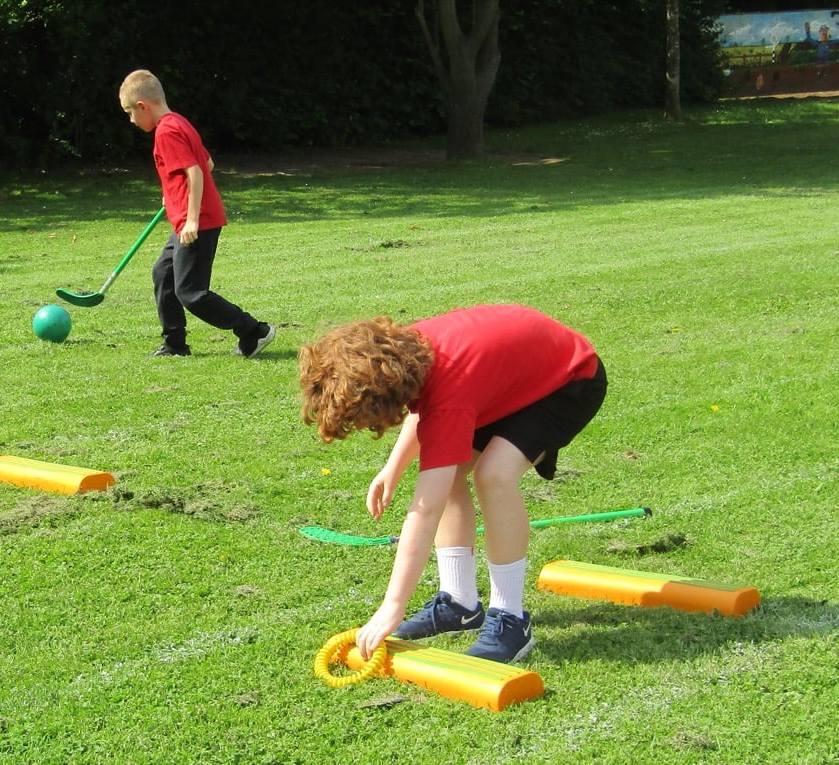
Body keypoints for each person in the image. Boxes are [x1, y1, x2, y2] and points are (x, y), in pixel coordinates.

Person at [298, 304, 607, 663]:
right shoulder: (403, 353)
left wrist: (392, 607)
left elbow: (425, 510)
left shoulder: (448, 386)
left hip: (568, 379)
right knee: (452, 471)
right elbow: (426, 408)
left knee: (494, 475)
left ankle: (510, 618)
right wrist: (393, 468)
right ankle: (459, 604)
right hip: (505, 379)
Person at [119, 69, 275, 358]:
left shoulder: (166, 131)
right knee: (162, 274)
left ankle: (254, 331)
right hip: (186, 220)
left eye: (130, 112)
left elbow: (195, 171)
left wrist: (191, 218)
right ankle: (175, 344)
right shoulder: (180, 123)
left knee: (191, 293)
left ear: (143, 106)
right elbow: (208, 164)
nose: (131, 120)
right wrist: (174, 194)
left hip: (196, 223)